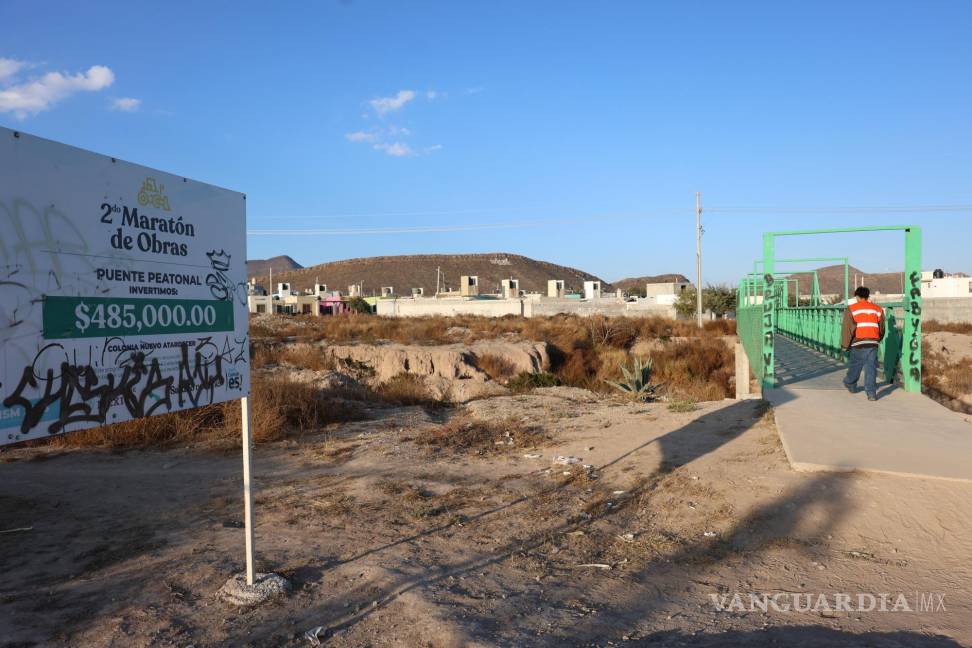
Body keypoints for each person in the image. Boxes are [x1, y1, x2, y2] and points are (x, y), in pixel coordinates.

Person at [841, 286, 885, 401]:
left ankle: (850, 383)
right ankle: (871, 393)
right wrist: (877, 339)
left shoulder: (852, 309)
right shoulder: (878, 309)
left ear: (857, 296)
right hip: (873, 341)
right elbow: (882, 328)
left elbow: (847, 329)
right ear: (868, 296)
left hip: (858, 341)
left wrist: (845, 346)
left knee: (855, 365)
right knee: (871, 367)